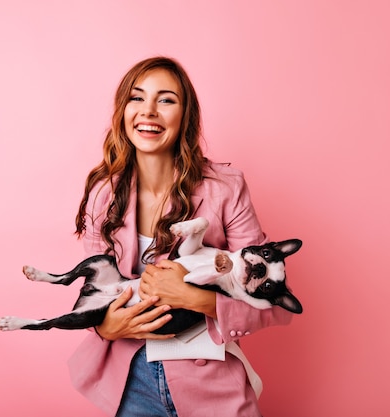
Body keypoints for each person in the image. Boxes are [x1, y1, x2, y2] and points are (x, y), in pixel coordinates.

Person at [68, 56, 293, 417]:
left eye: (166, 99)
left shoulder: (225, 189)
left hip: (211, 381)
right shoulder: (103, 193)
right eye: (137, 98)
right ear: (123, 110)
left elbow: (274, 306)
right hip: (130, 381)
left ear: (185, 115)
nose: (149, 111)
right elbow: (93, 291)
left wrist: (197, 299)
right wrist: (106, 327)